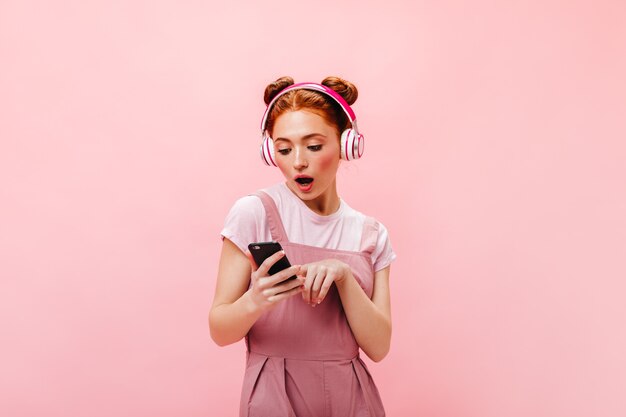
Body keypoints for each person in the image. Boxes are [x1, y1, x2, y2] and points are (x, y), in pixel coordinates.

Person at [209, 76, 396, 417]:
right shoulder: (253, 212)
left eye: (313, 146)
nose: (297, 162)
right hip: (273, 396)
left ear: (346, 144)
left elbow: (379, 346)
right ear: (271, 151)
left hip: (352, 398)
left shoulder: (372, 234)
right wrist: (256, 299)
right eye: (283, 149)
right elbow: (220, 330)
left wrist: (343, 277)